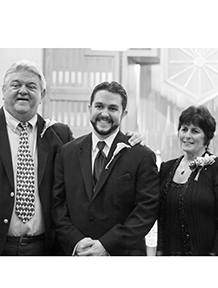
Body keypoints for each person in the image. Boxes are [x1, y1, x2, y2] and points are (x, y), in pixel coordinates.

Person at [0, 60, 143, 256]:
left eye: (31, 86)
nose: (23, 91)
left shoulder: (58, 134)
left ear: (42, 95)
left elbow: (89, 162)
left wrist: (128, 138)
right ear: (3, 90)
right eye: (16, 85)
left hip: (46, 247)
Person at [52, 81, 159, 256]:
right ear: (90, 108)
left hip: (122, 254)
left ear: (123, 113)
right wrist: (76, 241)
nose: (104, 114)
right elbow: (57, 204)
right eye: (99, 106)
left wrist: (107, 245)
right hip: (75, 253)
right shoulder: (67, 152)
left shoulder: (142, 155)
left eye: (113, 108)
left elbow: (146, 209)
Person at [157, 105, 218, 256]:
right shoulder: (166, 168)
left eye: (195, 131)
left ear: (207, 137)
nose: (187, 135)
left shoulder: (215, 168)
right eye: (184, 129)